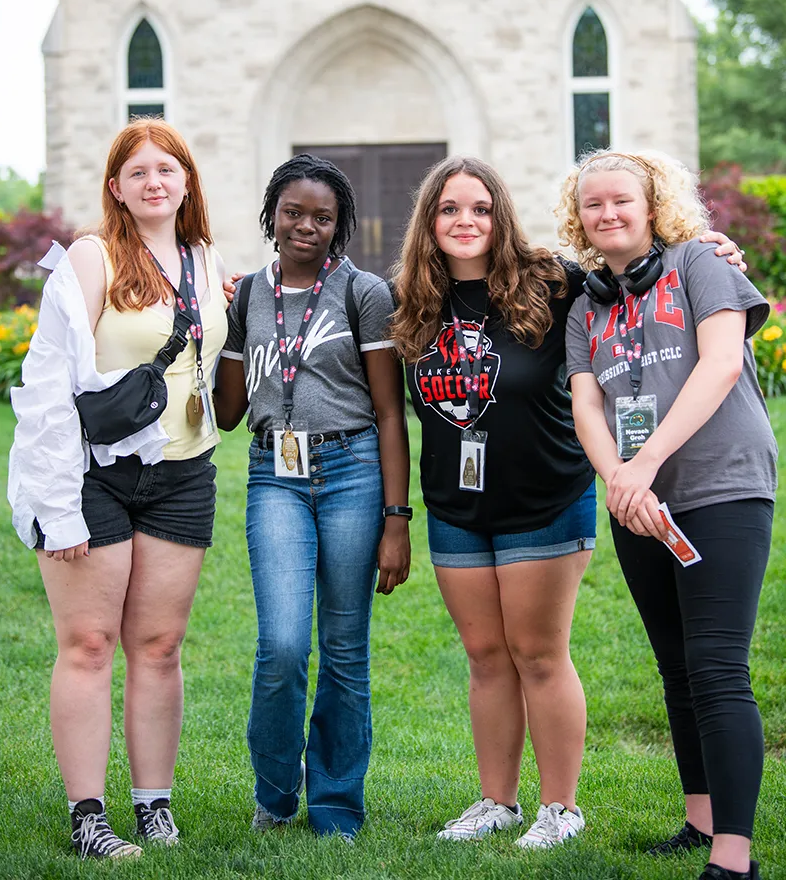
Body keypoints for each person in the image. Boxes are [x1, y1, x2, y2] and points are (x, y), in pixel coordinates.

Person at [388, 154, 743, 852]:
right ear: (429, 221)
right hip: (457, 508)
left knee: (539, 654)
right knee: (485, 655)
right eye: (450, 209)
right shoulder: (410, 298)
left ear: (502, 216)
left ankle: (561, 807)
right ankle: (498, 800)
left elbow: (635, 268)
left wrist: (699, 249)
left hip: (546, 498)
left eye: (481, 208)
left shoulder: (551, 282)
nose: (466, 221)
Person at [8, 119, 228, 860]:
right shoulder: (91, 258)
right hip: (95, 475)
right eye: (137, 173)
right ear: (116, 189)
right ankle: (88, 815)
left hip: (184, 473)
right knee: (90, 643)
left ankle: (153, 805)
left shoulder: (203, 258)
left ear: (188, 182)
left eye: (168, 169)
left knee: (159, 646)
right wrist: (57, 508)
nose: (154, 182)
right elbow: (44, 388)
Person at [559, 149, 776, 880]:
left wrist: (643, 462)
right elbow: (586, 399)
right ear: (578, 218)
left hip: (721, 486)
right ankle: (700, 820)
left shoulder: (700, 265)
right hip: (640, 502)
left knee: (717, 668)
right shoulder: (586, 305)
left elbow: (719, 363)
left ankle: (734, 859)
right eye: (593, 205)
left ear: (653, 206)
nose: (608, 213)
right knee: (677, 669)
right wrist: (619, 477)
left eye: (622, 200)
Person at [213, 153, 410, 841]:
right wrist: (218, 318)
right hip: (276, 475)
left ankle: (335, 805)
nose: (307, 226)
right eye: (294, 213)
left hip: (353, 469)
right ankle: (275, 789)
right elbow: (231, 413)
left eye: (322, 217)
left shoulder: (363, 293)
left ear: (340, 224)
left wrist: (396, 518)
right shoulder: (248, 295)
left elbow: (390, 412)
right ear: (272, 214)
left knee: (346, 648)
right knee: (285, 644)